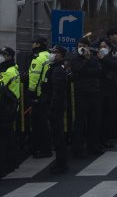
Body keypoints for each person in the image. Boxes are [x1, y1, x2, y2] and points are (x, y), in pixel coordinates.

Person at [71, 37, 104, 157]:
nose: (82, 48)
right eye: (80, 46)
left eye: (84, 46)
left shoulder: (94, 58)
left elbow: (99, 71)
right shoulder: (75, 58)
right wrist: (86, 61)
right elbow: (78, 70)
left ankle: (93, 145)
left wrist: (88, 66)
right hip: (81, 92)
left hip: (94, 92)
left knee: (94, 120)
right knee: (80, 121)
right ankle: (78, 148)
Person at [43, 46, 69, 174]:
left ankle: (61, 163)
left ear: (62, 56)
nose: (52, 55)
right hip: (53, 106)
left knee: (58, 136)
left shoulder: (58, 70)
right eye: (52, 52)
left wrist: (52, 108)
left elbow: (57, 92)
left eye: (56, 53)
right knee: (56, 135)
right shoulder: (53, 68)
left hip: (56, 108)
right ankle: (60, 162)